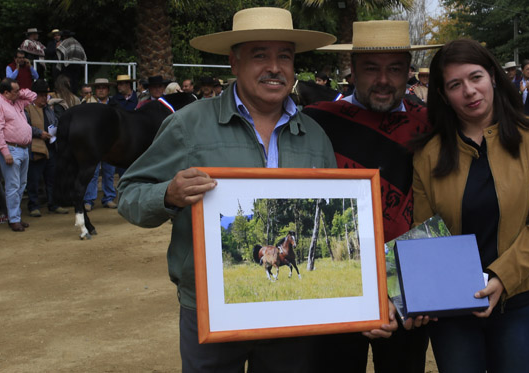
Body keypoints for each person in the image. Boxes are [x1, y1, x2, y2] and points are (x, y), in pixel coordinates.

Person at [305, 21, 529, 373]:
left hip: (439, 297)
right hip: (345, 286)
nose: (384, 79)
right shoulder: (317, 122)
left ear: (408, 72)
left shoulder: (427, 127)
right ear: (351, 70)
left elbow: (424, 227)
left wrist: (404, 295)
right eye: (371, 69)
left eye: (395, 69)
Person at [117, 7, 338, 372]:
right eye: (259, 55)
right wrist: (168, 196)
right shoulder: (189, 125)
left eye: (284, 56)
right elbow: (129, 194)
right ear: (234, 62)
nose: (274, 67)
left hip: (293, 315)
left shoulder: (315, 137)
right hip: (208, 308)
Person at [411, 38, 529, 372]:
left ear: (493, 76)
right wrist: (421, 291)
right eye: (455, 84)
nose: (469, 90)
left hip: (519, 300)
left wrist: (501, 278)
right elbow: (423, 233)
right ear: (442, 95)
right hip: (452, 308)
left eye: (475, 77)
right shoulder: (428, 154)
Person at [25, 79, 68, 217]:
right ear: (34, 95)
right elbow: (25, 127)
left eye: (45, 95)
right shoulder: (27, 109)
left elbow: (55, 122)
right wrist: (39, 133)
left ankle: (53, 204)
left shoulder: (48, 109)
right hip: (36, 148)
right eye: (42, 95)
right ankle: (33, 205)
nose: (45, 98)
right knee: (34, 180)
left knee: (52, 179)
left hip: (50, 147)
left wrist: (55, 130)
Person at [0, 78, 37, 232]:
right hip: (11, 148)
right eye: (15, 91)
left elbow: (33, 96)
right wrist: (5, 152)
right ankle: (13, 218)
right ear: (6, 92)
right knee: (13, 185)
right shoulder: (0, 104)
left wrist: (19, 93)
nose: (19, 93)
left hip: (23, 148)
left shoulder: (17, 101)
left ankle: (16, 216)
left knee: (21, 184)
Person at [83, 78, 117, 211]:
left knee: (109, 172)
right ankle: (89, 200)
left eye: (103, 87)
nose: (101, 90)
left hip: (110, 143)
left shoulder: (114, 104)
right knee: (92, 172)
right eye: (98, 88)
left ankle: (108, 198)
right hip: (93, 143)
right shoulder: (87, 104)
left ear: (108, 90)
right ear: (95, 90)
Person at [56, 30, 86, 94]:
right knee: (75, 81)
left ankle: (68, 94)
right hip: (77, 65)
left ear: (63, 36)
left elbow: (60, 51)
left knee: (67, 81)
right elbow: (83, 54)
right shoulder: (76, 42)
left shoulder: (65, 42)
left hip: (68, 65)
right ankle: (74, 94)